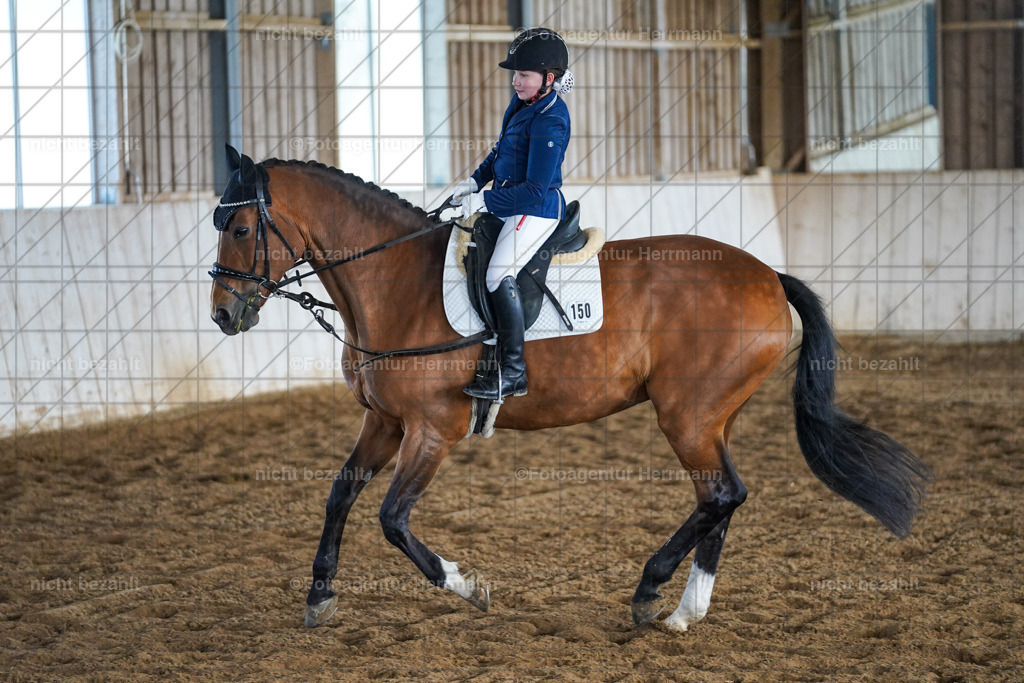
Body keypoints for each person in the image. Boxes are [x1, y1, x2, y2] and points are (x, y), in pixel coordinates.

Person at [453, 27, 574, 402]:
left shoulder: (550, 119)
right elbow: (499, 152)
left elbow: (536, 189)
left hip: (535, 210)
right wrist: (475, 183)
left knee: (497, 273)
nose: (516, 81)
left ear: (547, 79)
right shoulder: (522, 104)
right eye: (515, 74)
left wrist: (486, 203)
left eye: (523, 75)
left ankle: (514, 372)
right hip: (508, 202)